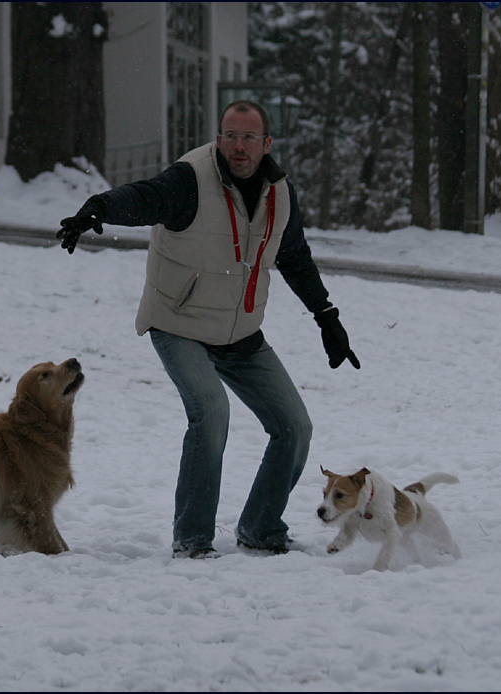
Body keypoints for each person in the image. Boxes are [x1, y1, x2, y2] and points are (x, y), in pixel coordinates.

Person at [56, 100, 360, 559]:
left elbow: (294, 257)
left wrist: (326, 316)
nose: (238, 147)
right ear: (219, 138)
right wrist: (99, 208)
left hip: (241, 333)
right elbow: (145, 197)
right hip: (179, 323)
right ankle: (193, 539)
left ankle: (261, 528)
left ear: (267, 144)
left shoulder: (280, 194)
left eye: (249, 138)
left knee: (294, 426)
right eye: (230, 136)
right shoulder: (191, 180)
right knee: (211, 412)